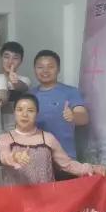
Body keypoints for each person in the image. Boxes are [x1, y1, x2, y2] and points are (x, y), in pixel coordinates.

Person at [31, 50, 89, 179]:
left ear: (58, 69)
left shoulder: (70, 92)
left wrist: (73, 117)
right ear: (34, 70)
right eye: (40, 67)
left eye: (50, 66)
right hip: (36, 160)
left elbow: (84, 117)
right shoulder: (29, 95)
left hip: (66, 160)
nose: (45, 71)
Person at [0, 42, 31, 132]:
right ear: (1, 58)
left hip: (17, 129)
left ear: (21, 61)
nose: (10, 61)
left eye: (15, 58)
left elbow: (22, 87)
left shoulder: (25, 80)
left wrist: (14, 81)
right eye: (6, 57)